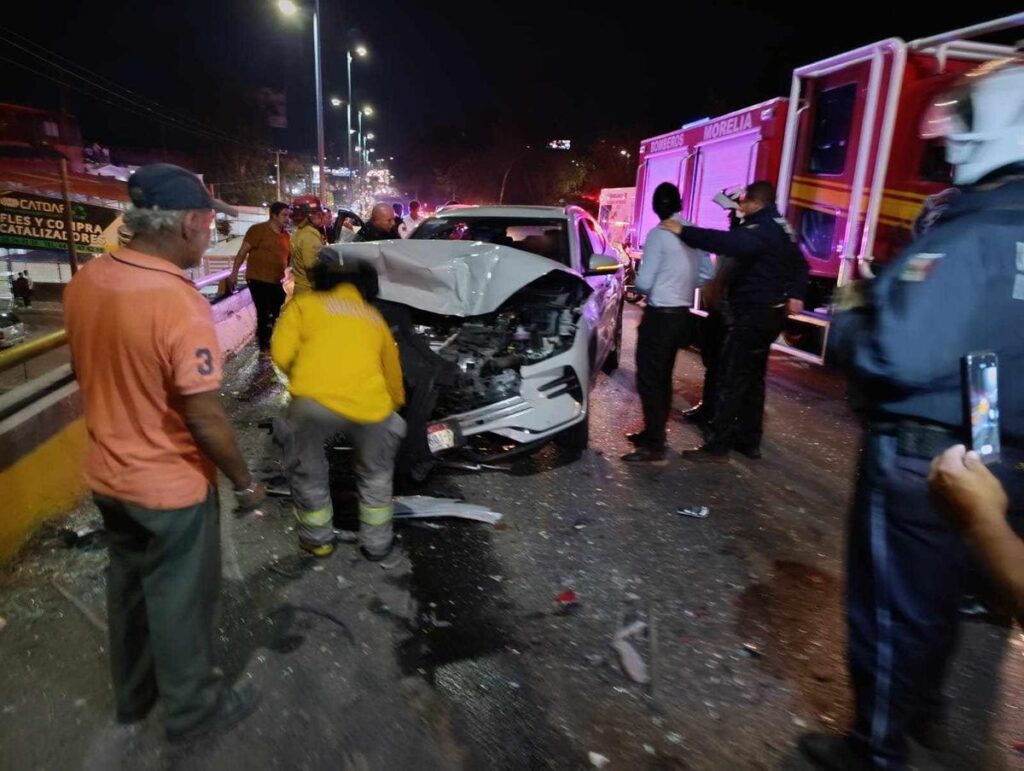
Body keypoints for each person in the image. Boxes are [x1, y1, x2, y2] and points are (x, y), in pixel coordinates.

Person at [799, 60, 1024, 771]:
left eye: (960, 122)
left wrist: (856, 314)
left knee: (890, 608)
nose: (948, 141)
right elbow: (988, 354)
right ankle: (923, 712)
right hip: (986, 451)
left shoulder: (968, 233)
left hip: (920, 455)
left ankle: (875, 750)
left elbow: (900, 352)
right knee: (937, 603)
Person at [63, 163, 267, 743]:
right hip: (170, 487)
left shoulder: (88, 280)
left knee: (127, 590)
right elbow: (203, 413)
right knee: (181, 599)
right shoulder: (178, 302)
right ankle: (193, 708)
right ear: (186, 225)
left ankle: (133, 698)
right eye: (208, 221)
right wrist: (245, 482)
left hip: (107, 477)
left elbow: (86, 371)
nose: (211, 232)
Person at [663, 180, 808, 461]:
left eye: (744, 202)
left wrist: (684, 231)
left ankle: (718, 446)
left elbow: (727, 243)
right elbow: (801, 265)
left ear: (756, 202)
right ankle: (749, 441)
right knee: (753, 380)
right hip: (770, 314)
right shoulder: (781, 226)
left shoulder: (760, 229)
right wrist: (796, 293)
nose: (740, 207)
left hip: (753, 315)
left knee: (731, 378)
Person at [271, 258, 406, 560]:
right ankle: (377, 545)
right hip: (371, 406)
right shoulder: (373, 317)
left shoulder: (305, 306)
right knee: (376, 475)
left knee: (308, 472)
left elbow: (280, 352)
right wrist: (393, 406)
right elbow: (393, 373)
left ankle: (318, 541)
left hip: (312, 404)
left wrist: (304, 381)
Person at [622, 182, 713, 462]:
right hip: (681, 315)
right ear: (679, 204)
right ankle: (653, 432)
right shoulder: (692, 232)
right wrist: (683, 284)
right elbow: (707, 273)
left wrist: (653, 287)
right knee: (663, 376)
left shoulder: (658, 235)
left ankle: (655, 442)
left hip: (660, 315)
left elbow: (646, 281)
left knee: (651, 379)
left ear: (654, 206)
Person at [227, 202, 291, 354]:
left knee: (279, 311)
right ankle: (264, 347)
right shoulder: (257, 230)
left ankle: (268, 337)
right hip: (258, 279)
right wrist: (234, 273)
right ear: (274, 215)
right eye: (284, 215)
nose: (287, 218)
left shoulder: (286, 236)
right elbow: (242, 253)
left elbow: (288, 258)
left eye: (289, 215)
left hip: (276, 281)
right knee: (265, 312)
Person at [289, 198, 327, 296]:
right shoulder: (309, 234)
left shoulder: (299, 232)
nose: (321, 217)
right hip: (309, 292)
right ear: (308, 216)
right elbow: (312, 265)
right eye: (318, 214)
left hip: (301, 290)